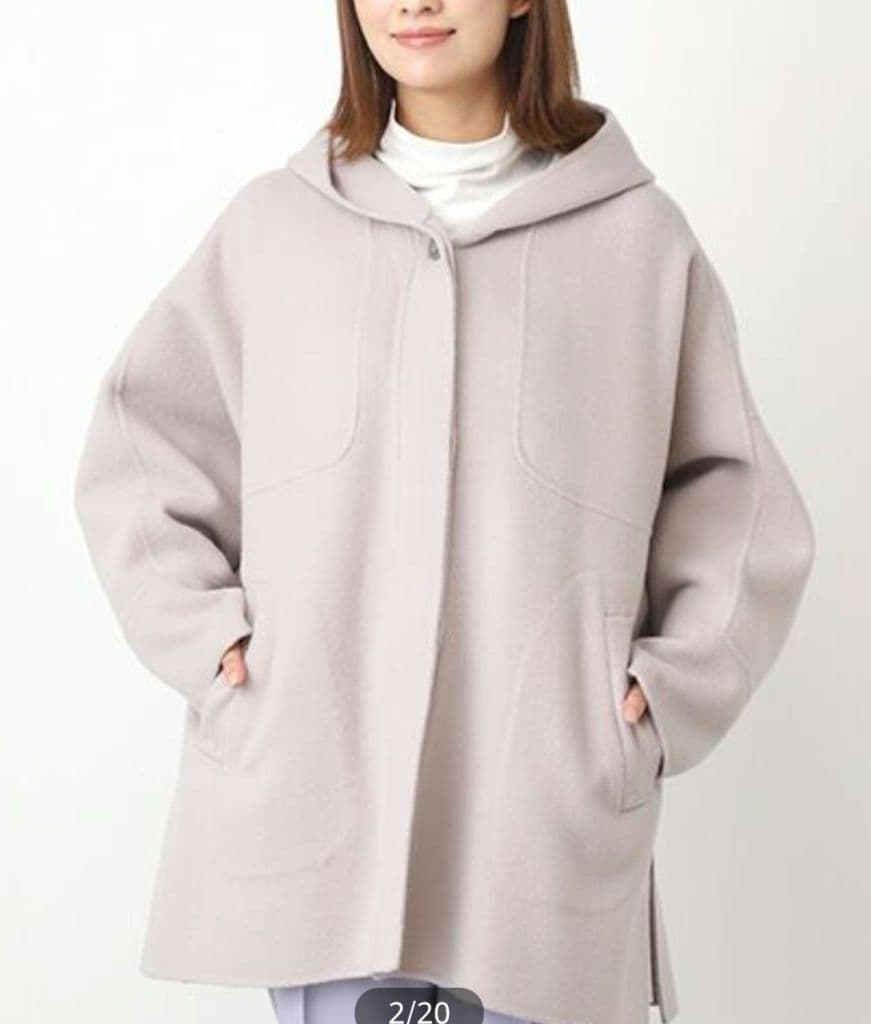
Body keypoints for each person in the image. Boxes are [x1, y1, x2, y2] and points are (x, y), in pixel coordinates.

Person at [72, 2, 816, 1023]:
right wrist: (209, 638)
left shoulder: (639, 240)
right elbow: (142, 444)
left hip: (534, 817)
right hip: (318, 803)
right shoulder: (273, 230)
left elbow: (737, 502)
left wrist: (664, 693)